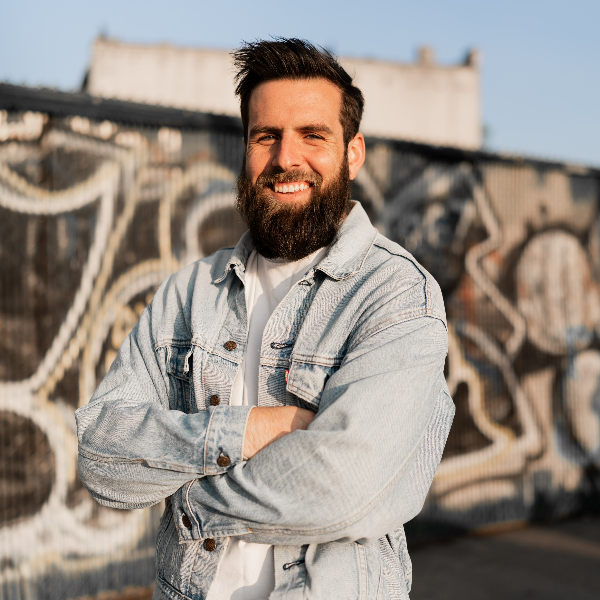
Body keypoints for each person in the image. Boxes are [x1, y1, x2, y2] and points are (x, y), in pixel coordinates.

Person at [76, 38, 455, 600]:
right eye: (266, 136)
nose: (285, 158)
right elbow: (101, 455)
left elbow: (343, 485)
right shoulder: (189, 294)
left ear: (353, 153)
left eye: (313, 135)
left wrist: (189, 500)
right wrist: (258, 427)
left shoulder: (395, 294)